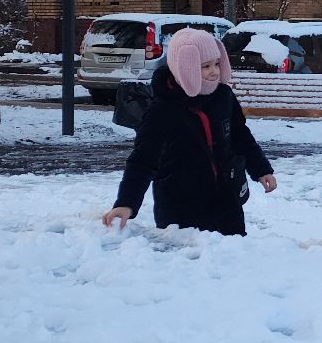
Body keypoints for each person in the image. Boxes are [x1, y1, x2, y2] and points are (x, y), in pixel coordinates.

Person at [103, 28, 276, 235]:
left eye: (217, 64)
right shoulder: (162, 111)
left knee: (232, 250)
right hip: (181, 209)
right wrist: (126, 203)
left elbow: (241, 135)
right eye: (205, 66)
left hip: (227, 200)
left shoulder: (223, 96)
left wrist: (261, 169)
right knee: (192, 253)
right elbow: (142, 160)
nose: (214, 71)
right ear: (185, 67)